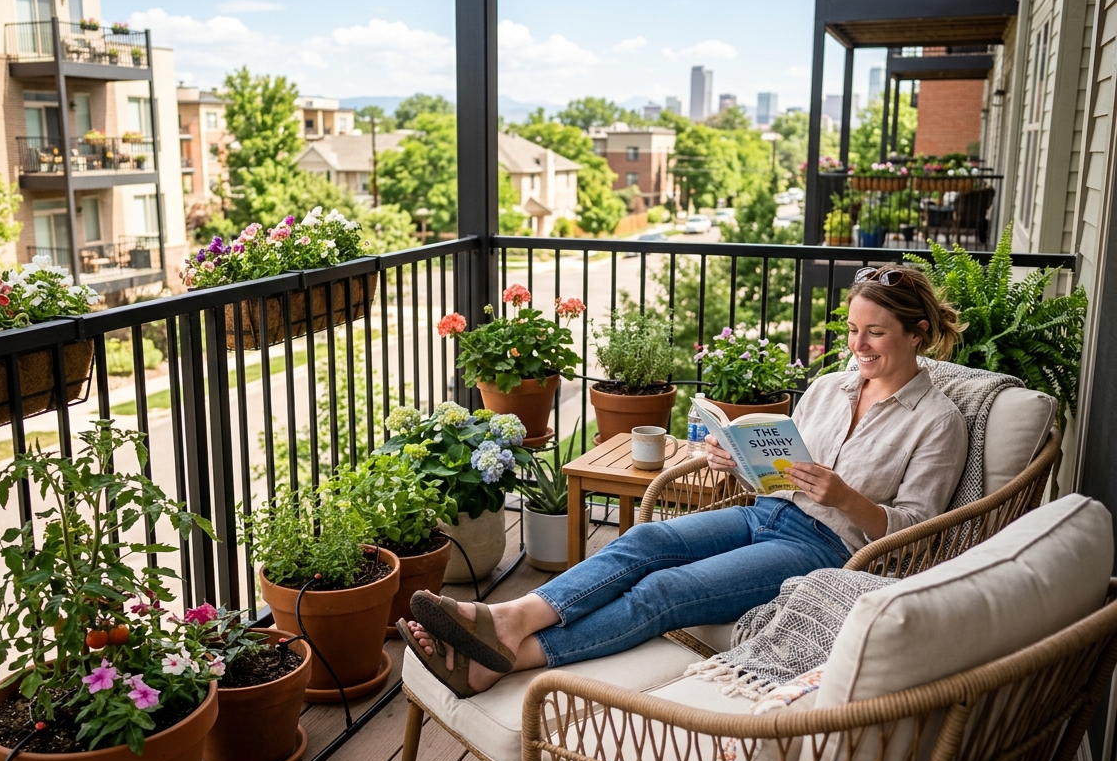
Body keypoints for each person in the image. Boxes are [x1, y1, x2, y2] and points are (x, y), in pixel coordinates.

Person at [400, 265, 969, 698]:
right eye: (851, 330)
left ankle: (508, 657)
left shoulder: (938, 422)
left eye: (875, 333)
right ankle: (509, 618)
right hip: (763, 513)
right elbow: (784, 459)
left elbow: (918, 533)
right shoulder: (830, 387)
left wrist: (844, 496)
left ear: (918, 333)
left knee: (668, 590)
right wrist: (739, 460)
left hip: (827, 549)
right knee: (644, 543)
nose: (858, 347)